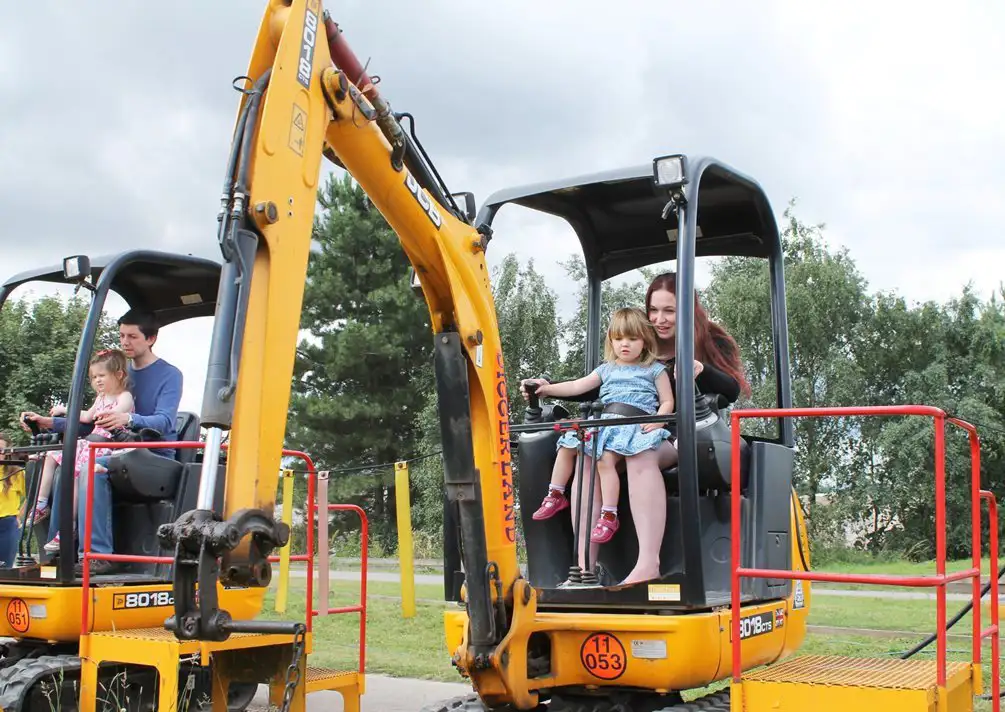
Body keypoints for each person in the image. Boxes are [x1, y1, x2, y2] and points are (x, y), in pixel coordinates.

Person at [521, 272, 748, 585]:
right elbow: (598, 386)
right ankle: (584, 568)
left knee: (641, 455)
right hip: (626, 431)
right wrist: (548, 387)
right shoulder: (639, 349)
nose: (660, 318)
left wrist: (701, 370)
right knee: (587, 460)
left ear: (687, 311)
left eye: (669, 311)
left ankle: (647, 564)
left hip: (682, 437)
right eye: (654, 310)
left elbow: (732, 389)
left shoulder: (707, 343)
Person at [20, 309, 182, 575]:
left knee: (93, 467)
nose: (125, 342)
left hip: (153, 455)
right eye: (121, 336)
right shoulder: (113, 371)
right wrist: (50, 423)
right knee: (64, 463)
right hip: (117, 449)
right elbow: (92, 421)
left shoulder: (169, 375)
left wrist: (127, 419)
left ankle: (99, 554)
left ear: (151, 338)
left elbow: (164, 421)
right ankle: (58, 550)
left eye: (132, 336)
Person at [530, 308, 674, 549]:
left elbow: (668, 400)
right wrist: (547, 389)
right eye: (618, 339)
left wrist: (660, 419)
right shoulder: (606, 369)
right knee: (568, 444)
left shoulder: (655, 370)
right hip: (604, 424)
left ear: (645, 340)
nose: (624, 345)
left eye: (632, 339)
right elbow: (577, 386)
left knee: (604, 460)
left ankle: (609, 515)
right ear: (611, 341)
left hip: (631, 425)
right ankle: (555, 494)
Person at [27, 349, 134, 554]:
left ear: (119, 374)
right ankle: (41, 503)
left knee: (78, 471)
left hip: (108, 443)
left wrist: (109, 414)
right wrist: (65, 410)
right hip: (92, 442)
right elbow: (86, 417)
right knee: (52, 455)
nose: (97, 381)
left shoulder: (124, 396)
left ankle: (68, 527)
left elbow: (120, 412)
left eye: (102, 376)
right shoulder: (100, 397)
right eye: (94, 377)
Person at [0, 432, 26, 568]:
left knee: (4, 568)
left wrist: (19, 515)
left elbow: (32, 497)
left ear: (7, 452)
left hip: (6, 523)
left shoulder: (16, 472)